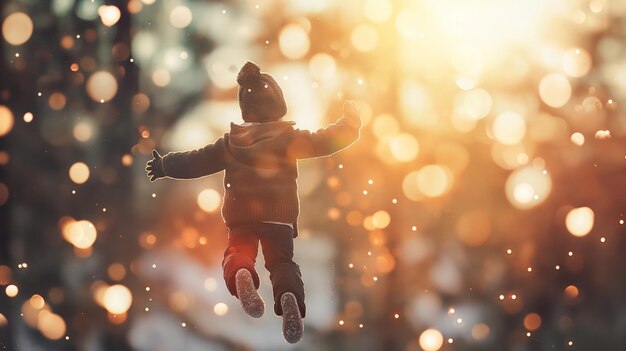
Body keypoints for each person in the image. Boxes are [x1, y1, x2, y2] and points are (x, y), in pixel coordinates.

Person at [146, 61, 361, 343]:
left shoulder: (231, 144)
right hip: (278, 216)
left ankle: (241, 273)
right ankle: (288, 296)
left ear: (245, 109)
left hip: (242, 216)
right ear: (279, 105)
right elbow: (327, 140)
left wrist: (165, 166)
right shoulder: (290, 140)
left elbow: (196, 160)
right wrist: (350, 125)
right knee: (282, 263)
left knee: (238, 252)